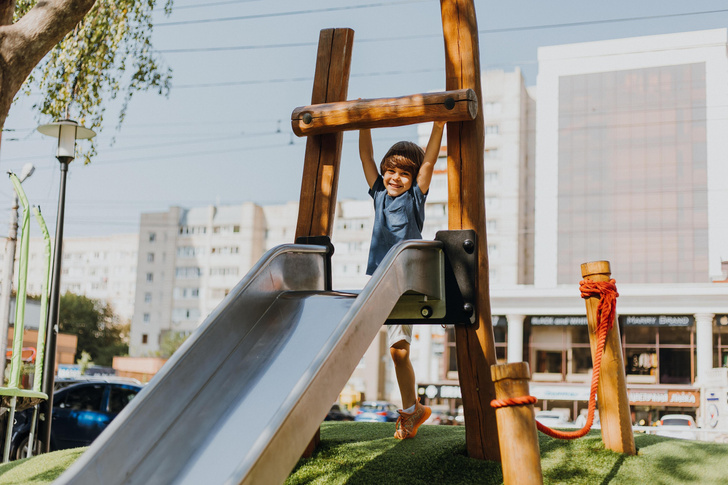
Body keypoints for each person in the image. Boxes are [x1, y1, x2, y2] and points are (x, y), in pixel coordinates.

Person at [358, 121, 445, 439]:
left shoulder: (415, 198)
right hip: (380, 280)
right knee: (357, 339)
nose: (395, 178)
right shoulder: (379, 193)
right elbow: (366, 156)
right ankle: (413, 409)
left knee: (398, 352)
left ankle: (411, 411)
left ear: (414, 178)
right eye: (390, 171)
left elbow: (431, 161)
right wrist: (362, 123)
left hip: (405, 281)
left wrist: (439, 124)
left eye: (404, 173)